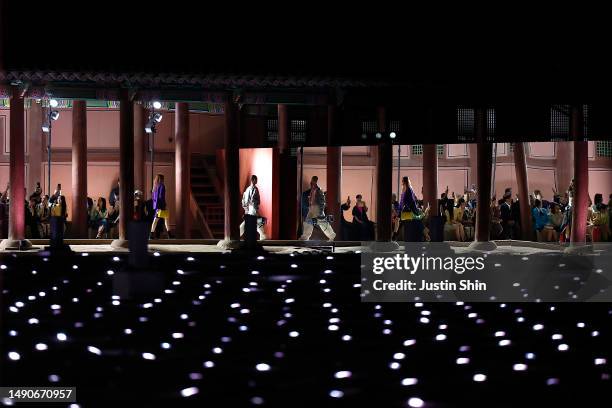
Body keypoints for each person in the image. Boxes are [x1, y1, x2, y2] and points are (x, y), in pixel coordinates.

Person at [299, 176, 336, 241]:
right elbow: (311, 199)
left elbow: (322, 202)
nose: (311, 182)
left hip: (317, 208)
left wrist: (321, 210)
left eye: (312, 181)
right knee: (308, 222)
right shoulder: (312, 190)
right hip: (312, 207)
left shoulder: (319, 190)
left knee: (322, 222)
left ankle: (332, 235)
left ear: (315, 181)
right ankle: (305, 237)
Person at [239, 175, 267, 241]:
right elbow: (257, 200)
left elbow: (244, 200)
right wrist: (254, 205)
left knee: (248, 222)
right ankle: (262, 235)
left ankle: (239, 233)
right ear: (253, 180)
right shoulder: (254, 189)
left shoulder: (247, 189)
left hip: (248, 209)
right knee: (257, 221)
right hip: (252, 208)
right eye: (256, 180)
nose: (256, 181)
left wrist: (246, 208)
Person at [399, 176, 424, 242]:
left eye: (402, 182)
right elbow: (412, 201)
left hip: (408, 212)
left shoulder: (407, 190)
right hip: (410, 212)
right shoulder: (409, 190)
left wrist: (401, 210)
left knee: (401, 220)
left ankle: (395, 235)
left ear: (404, 182)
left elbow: (405, 202)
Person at [151, 174, 169, 239]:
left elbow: (153, 198)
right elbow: (161, 197)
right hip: (161, 206)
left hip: (157, 206)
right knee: (157, 220)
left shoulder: (155, 187)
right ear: (162, 179)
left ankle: (151, 235)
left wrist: (156, 206)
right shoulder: (162, 186)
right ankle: (169, 234)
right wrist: (163, 205)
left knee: (164, 219)